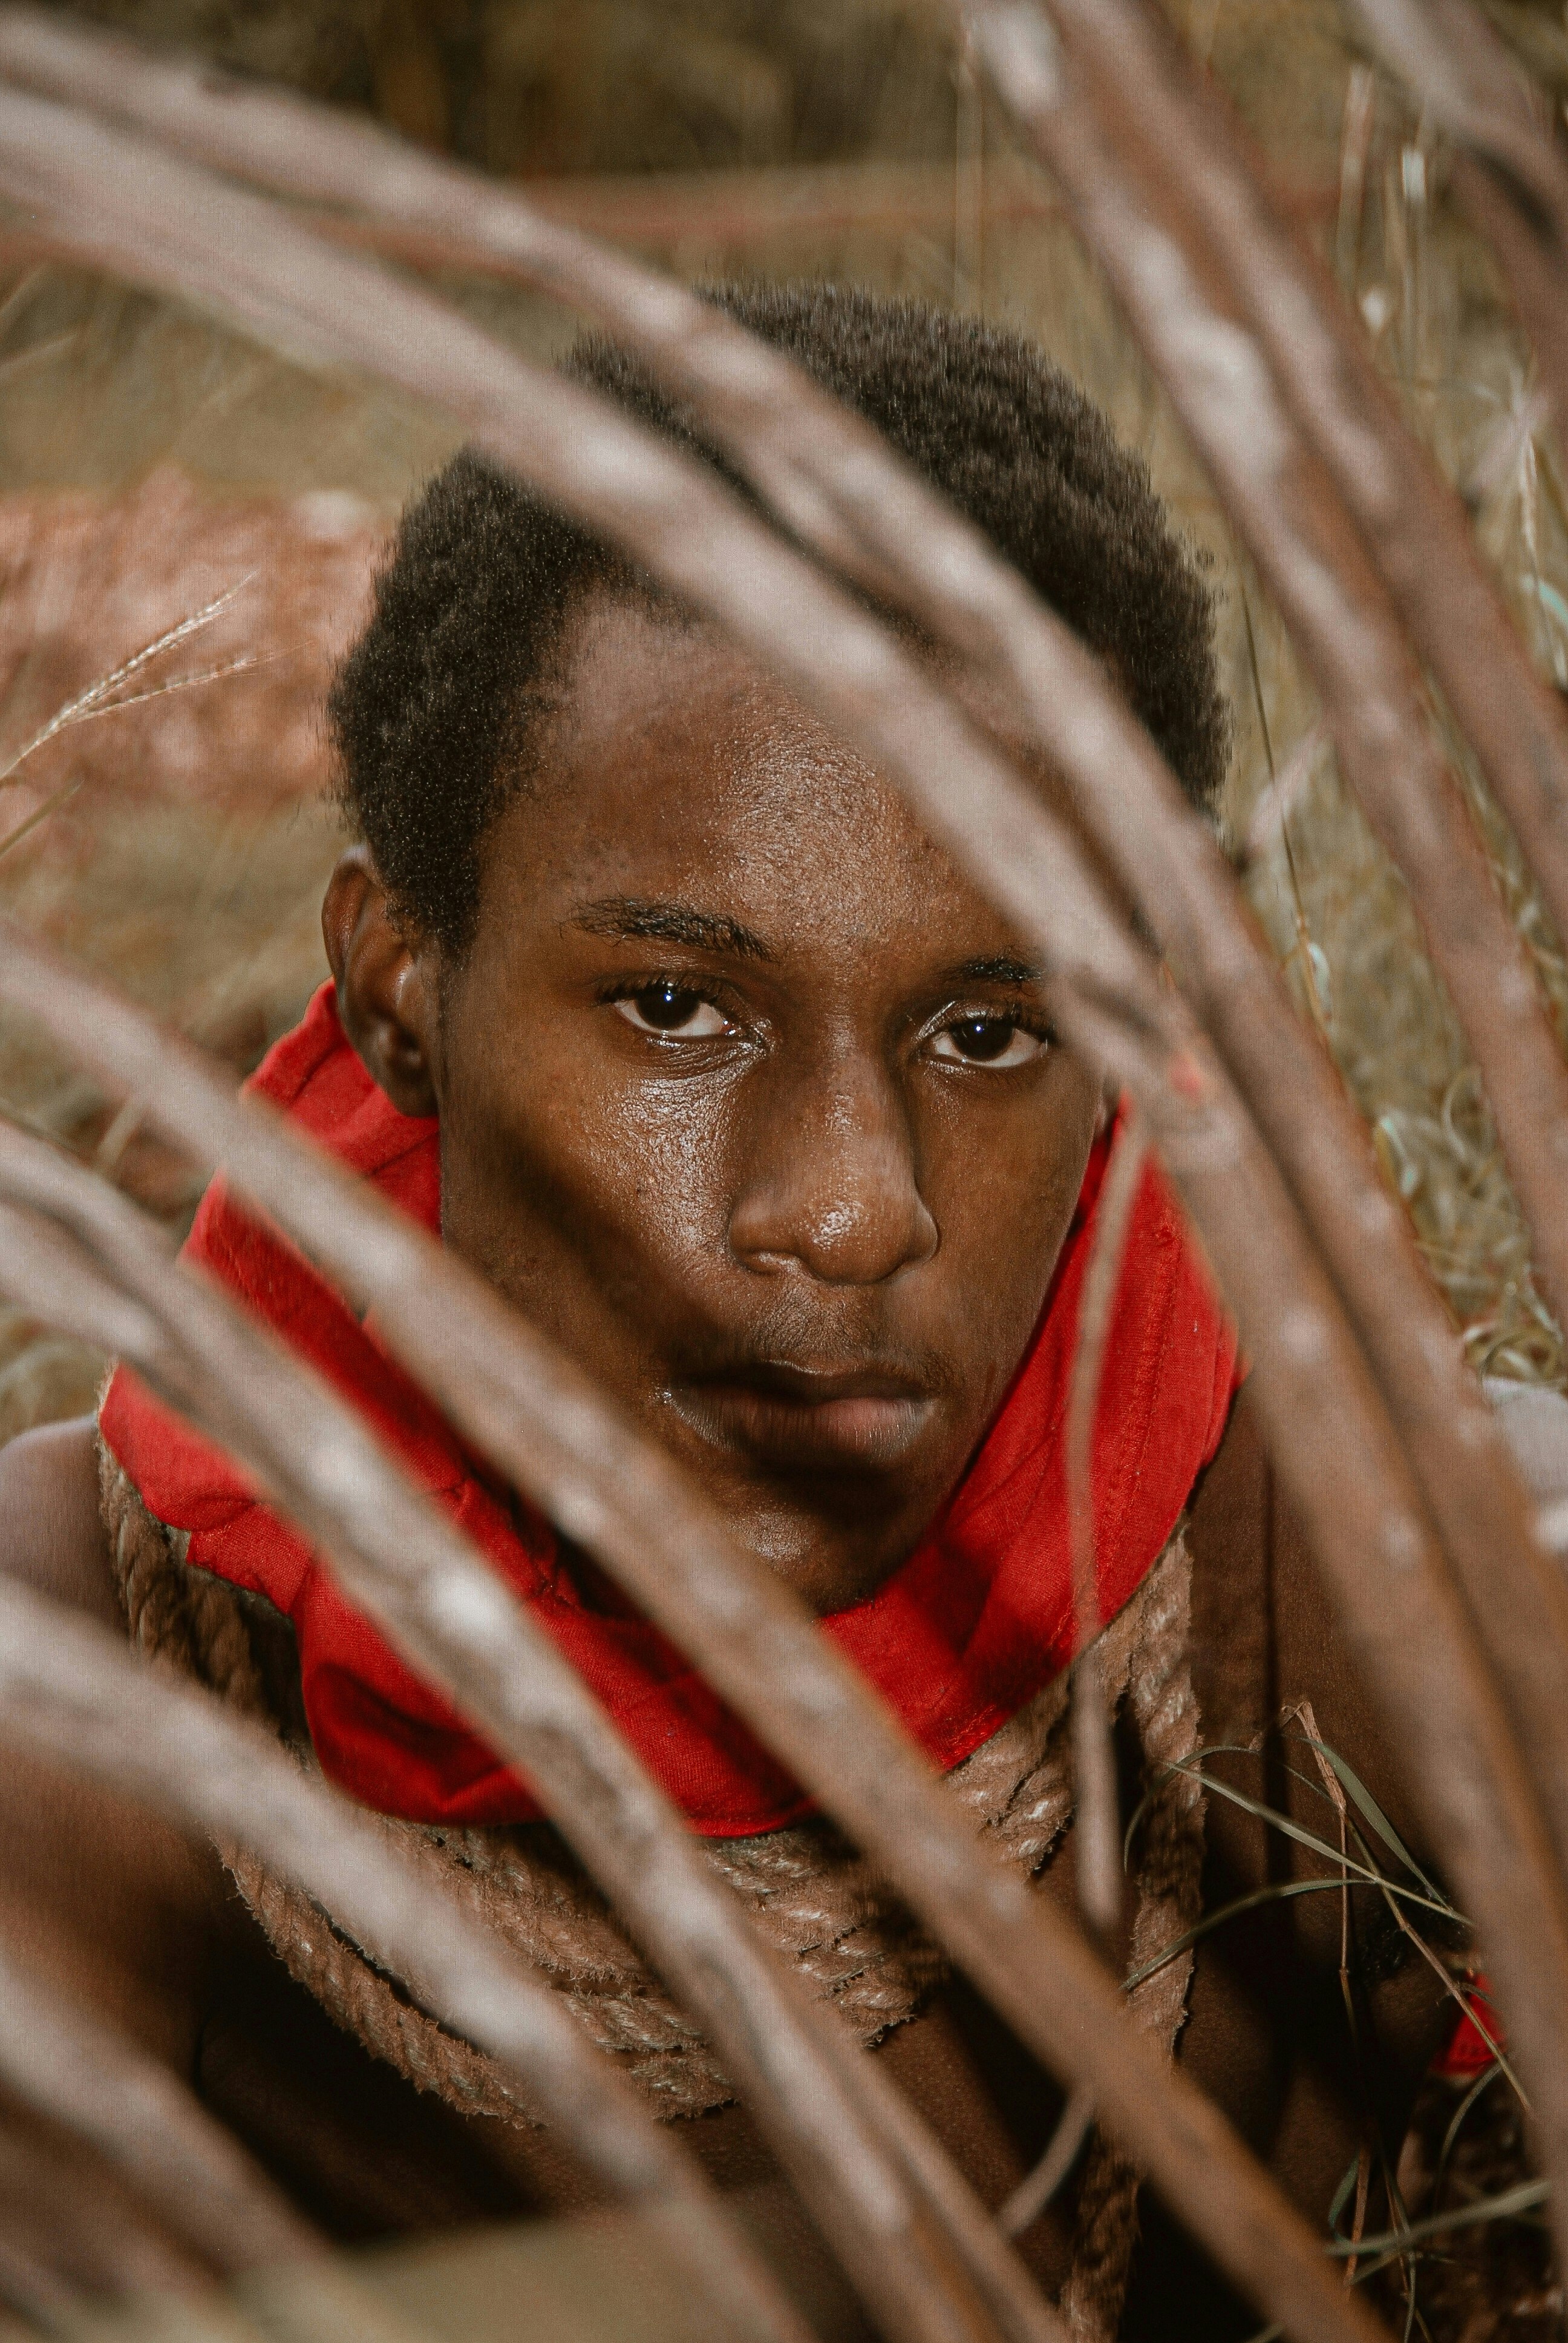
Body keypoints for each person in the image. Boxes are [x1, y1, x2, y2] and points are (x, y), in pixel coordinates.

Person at [0, 285, 1483, 2337]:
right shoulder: (85, 1688)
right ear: (396, 984)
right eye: (676, 1008)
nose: (848, 1212)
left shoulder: (1372, 1609)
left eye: (987, 1030)